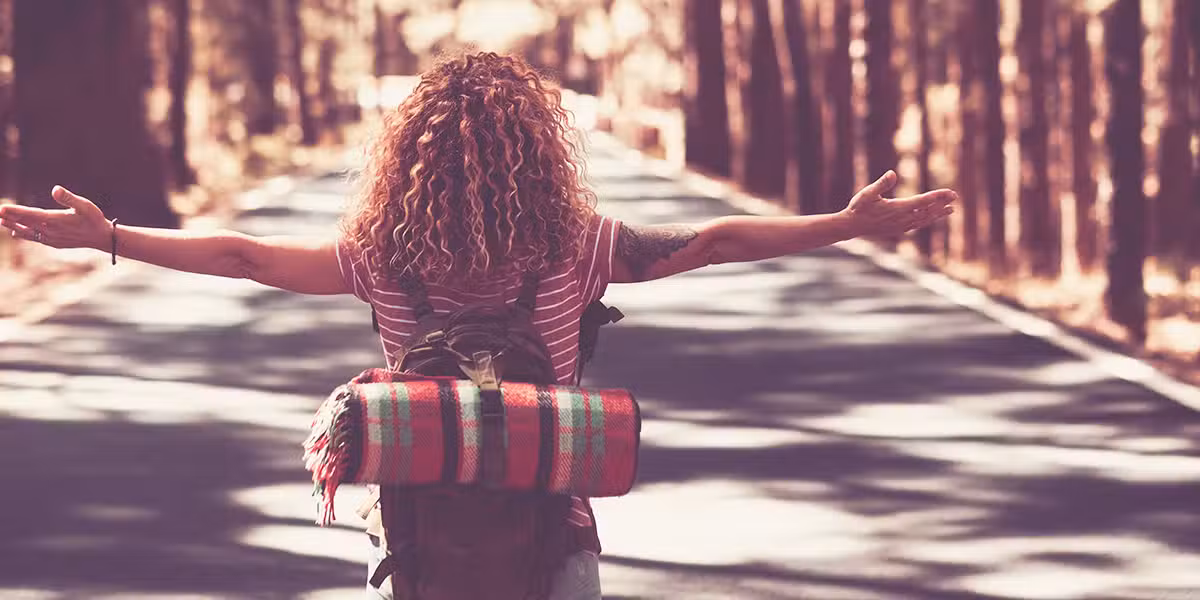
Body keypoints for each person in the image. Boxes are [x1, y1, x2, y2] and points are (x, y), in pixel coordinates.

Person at [0, 52, 955, 598]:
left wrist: (113, 237)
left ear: (407, 157)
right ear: (538, 155)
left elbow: (243, 257)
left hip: (418, 519)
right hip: (553, 512)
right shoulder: (582, 246)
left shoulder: (380, 257)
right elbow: (710, 241)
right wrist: (840, 225)